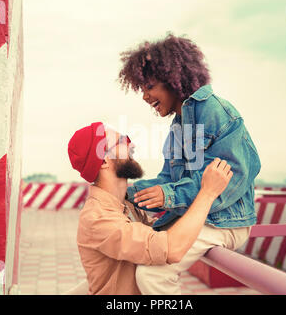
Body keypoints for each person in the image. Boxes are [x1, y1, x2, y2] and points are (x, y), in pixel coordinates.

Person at [118, 33, 261, 294]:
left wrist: (169, 194)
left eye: (149, 87)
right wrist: (125, 194)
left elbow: (233, 175)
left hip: (225, 222)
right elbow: (168, 180)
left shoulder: (216, 111)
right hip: (194, 219)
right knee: (127, 262)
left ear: (174, 79)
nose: (144, 96)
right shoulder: (178, 125)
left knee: (152, 274)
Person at [66, 122, 240, 295]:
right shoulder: (98, 218)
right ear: (104, 160)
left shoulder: (125, 206)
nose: (132, 144)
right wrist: (208, 193)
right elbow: (171, 249)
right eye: (122, 141)